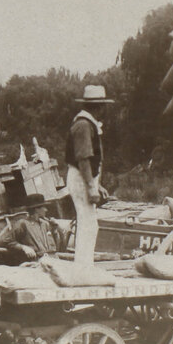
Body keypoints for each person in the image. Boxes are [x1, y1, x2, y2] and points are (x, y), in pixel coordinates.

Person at [65, 84, 114, 265]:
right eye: (103, 107)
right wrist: (91, 186)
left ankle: (85, 264)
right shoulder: (84, 125)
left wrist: (97, 184)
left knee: (89, 224)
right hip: (80, 178)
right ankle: (83, 266)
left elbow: (89, 161)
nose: (104, 110)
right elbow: (83, 159)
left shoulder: (87, 124)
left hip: (83, 177)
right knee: (87, 224)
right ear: (98, 107)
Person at [0, 194, 62, 265]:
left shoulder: (45, 224)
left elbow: (56, 248)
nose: (46, 210)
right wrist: (24, 247)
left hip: (52, 260)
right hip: (37, 263)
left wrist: (55, 230)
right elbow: (5, 241)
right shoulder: (22, 224)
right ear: (36, 209)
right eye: (44, 207)